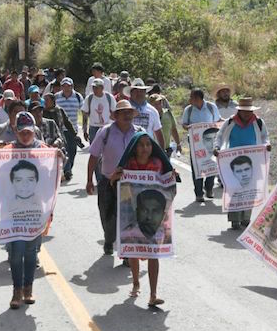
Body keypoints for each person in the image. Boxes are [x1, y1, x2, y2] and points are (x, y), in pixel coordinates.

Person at [112, 131, 175, 306]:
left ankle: (153, 294)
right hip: (134, 214)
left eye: (148, 144)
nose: (145, 148)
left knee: (153, 253)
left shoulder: (158, 163)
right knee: (134, 249)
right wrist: (116, 176)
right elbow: (114, 184)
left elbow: (166, 186)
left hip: (154, 217)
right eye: (141, 145)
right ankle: (135, 283)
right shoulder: (128, 165)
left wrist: (172, 176)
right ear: (134, 148)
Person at [3, 112, 51, 309]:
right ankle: (16, 290)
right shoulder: (7, 151)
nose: (25, 136)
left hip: (35, 211)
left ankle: (28, 288)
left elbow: (54, 172)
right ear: (16, 131)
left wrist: (58, 157)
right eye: (22, 132)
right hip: (13, 211)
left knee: (31, 251)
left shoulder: (44, 149)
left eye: (28, 132)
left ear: (34, 131)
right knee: (16, 252)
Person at [86, 100, 142, 256]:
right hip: (107, 181)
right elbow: (93, 157)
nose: (127, 115)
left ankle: (127, 254)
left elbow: (151, 155)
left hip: (132, 183)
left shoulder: (139, 133)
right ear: (116, 115)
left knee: (129, 218)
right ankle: (109, 239)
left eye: (129, 113)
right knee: (107, 216)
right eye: (123, 112)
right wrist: (90, 180)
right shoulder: (105, 132)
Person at [213, 97, 270, 229]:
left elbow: (265, 137)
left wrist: (267, 145)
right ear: (239, 111)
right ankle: (235, 219)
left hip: (253, 161)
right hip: (234, 161)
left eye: (248, 111)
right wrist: (217, 148)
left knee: (250, 189)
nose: (246, 114)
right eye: (244, 111)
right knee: (235, 189)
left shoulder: (259, 122)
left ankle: (246, 218)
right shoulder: (230, 122)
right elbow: (219, 136)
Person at [182, 88, 221, 202]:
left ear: (198, 98)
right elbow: (184, 124)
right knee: (196, 166)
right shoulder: (188, 110)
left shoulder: (211, 107)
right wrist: (188, 127)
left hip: (210, 140)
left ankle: (209, 189)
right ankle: (199, 193)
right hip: (195, 143)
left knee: (211, 164)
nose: (190, 99)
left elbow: (218, 121)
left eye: (192, 97)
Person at [55, 78, 83, 181]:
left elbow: (83, 111)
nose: (66, 88)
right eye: (64, 86)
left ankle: (68, 167)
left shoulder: (77, 97)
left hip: (73, 129)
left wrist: (84, 128)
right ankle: (67, 170)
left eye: (68, 86)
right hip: (60, 129)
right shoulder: (57, 97)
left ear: (72, 86)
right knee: (64, 150)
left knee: (73, 151)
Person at [125, 79, 165, 148]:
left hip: (147, 151)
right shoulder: (123, 109)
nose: (139, 93)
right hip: (127, 150)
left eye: (141, 91)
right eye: (136, 91)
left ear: (145, 93)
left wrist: (162, 153)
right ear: (131, 93)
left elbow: (158, 133)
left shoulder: (152, 111)